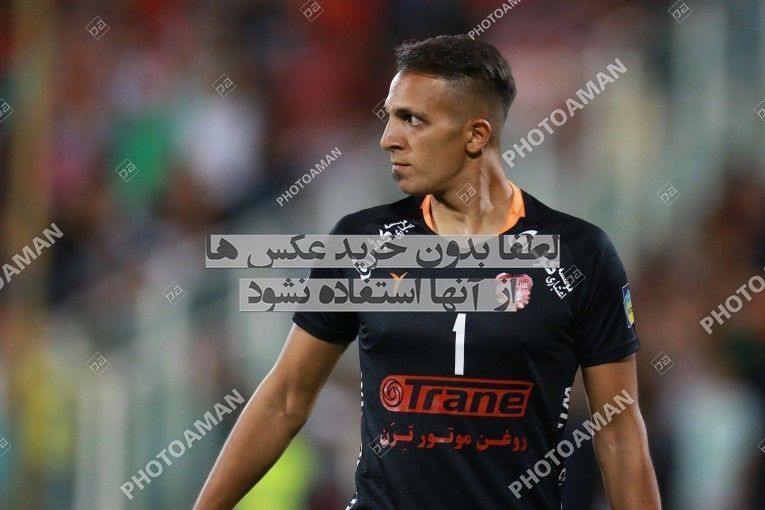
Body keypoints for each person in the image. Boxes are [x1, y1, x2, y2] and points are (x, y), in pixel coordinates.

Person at [194, 34, 661, 509]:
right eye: (390, 117)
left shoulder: (580, 255)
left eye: (412, 120)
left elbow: (618, 430)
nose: (388, 139)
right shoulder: (361, 243)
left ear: (475, 135)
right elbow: (286, 398)